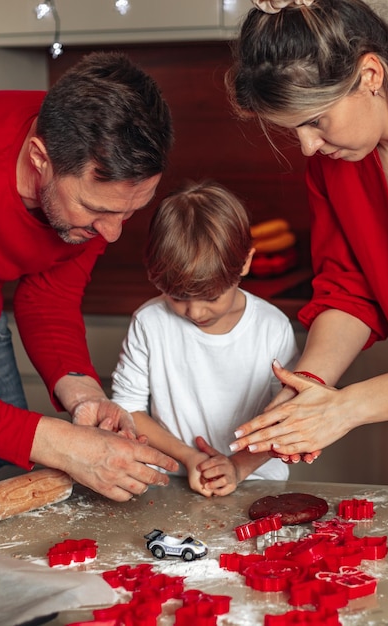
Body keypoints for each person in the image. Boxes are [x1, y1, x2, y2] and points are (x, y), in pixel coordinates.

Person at [0, 51, 180, 500]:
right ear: (39, 158)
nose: (109, 234)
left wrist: (84, 394)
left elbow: (49, 294)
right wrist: (62, 445)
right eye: (97, 210)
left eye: (130, 212)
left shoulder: (83, 130)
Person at [225, 0, 388, 488]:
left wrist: (348, 408)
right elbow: (350, 291)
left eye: (316, 120)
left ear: (369, 74)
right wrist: (313, 388)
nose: (307, 147)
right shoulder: (338, 162)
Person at [111, 180, 299, 496]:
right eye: (177, 297)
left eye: (211, 298)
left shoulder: (272, 327)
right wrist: (188, 458)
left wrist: (237, 466)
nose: (195, 312)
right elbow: (128, 410)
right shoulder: (149, 322)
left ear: (246, 262)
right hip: (169, 481)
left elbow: (288, 417)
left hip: (257, 483)